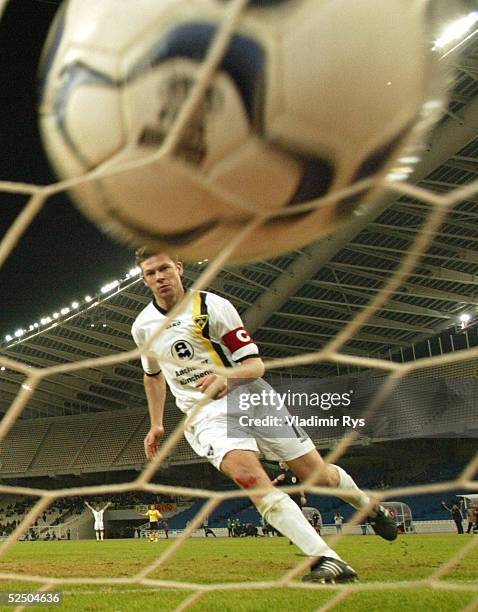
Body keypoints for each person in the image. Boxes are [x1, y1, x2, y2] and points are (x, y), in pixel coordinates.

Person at [132, 249, 397, 584]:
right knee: (247, 476)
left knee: (318, 477)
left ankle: (369, 506)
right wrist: (157, 423)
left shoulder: (213, 307)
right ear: (144, 279)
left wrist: (227, 378)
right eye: (151, 273)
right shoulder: (143, 327)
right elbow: (152, 375)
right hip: (206, 413)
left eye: (165, 268)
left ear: (179, 268)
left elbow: (255, 365)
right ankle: (325, 559)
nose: (160, 277)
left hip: (253, 396)